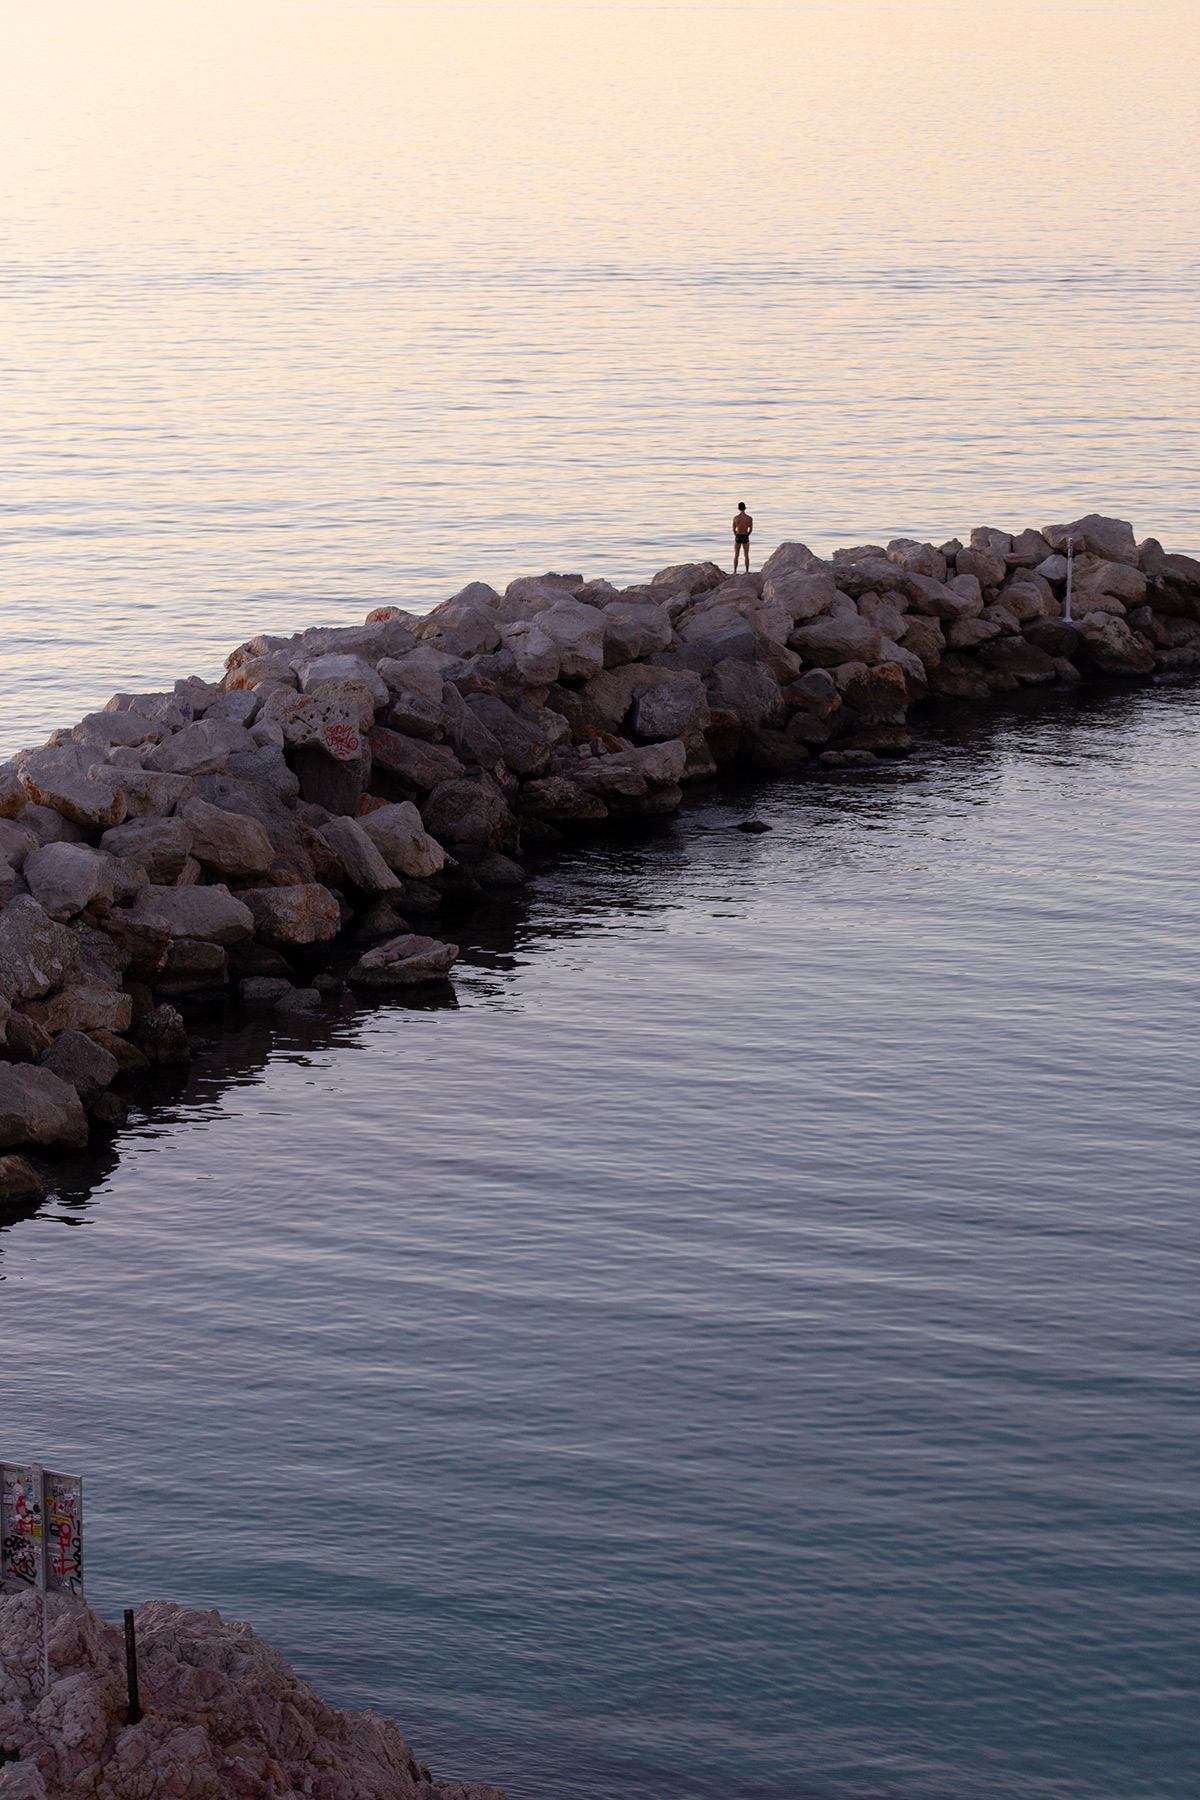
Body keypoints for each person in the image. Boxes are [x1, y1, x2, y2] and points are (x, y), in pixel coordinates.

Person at [732, 503, 753, 571]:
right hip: (745, 535)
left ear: (738, 508)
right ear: (745, 508)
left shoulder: (736, 518)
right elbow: (750, 529)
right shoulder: (749, 518)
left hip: (738, 535)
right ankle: (747, 570)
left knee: (736, 554)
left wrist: (736, 534)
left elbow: (734, 529)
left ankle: (735, 571)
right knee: (746, 555)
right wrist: (747, 534)